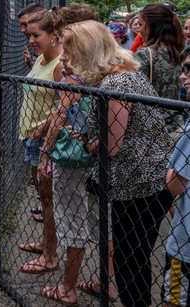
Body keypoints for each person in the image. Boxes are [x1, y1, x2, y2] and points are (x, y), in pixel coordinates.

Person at [61, 20, 174, 307]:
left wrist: (89, 141)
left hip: (140, 184)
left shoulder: (116, 82)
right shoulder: (118, 77)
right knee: (130, 254)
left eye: (68, 50)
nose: (63, 57)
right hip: (138, 181)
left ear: (86, 51)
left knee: (130, 257)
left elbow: (112, 145)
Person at [35, 5, 118, 304]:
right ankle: (106, 283)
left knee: (72, 221)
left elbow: (61, 114)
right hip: (100, 160)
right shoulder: (110, 76)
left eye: (68, 49)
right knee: (100, 220)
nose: (64, 57)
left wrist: (45, 152)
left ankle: (67, 288)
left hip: (73, 160)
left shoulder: (74, 75)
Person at [16, 9, 62, 275]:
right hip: (30, 139)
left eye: (36, 35)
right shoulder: (42, 59)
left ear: (53, 35)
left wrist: (44, 127)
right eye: (29, 33)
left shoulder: (59, 67)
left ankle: (50, 255)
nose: (30, 38)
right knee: (43, 196)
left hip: (45, 143)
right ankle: (45, 241)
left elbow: (66, 107)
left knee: (48, 199)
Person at [162, 46, 190, 307]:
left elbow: (175, 182)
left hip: (186, 245)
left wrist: (169, 170)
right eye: (184, 69)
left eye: (189, 69)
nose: (183, 76)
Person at [134, 3, 185, 140]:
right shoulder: (179, 52)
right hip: (178, 126)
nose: (139, 30)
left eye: (141, 24)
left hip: (152, 128)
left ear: (151, 26)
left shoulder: (145, 54)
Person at [18, 3, 45, 69]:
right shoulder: (42, 56)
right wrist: (30, 64)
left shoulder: (61, 62)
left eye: (25, 24)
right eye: (21, 25)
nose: (22, 30)